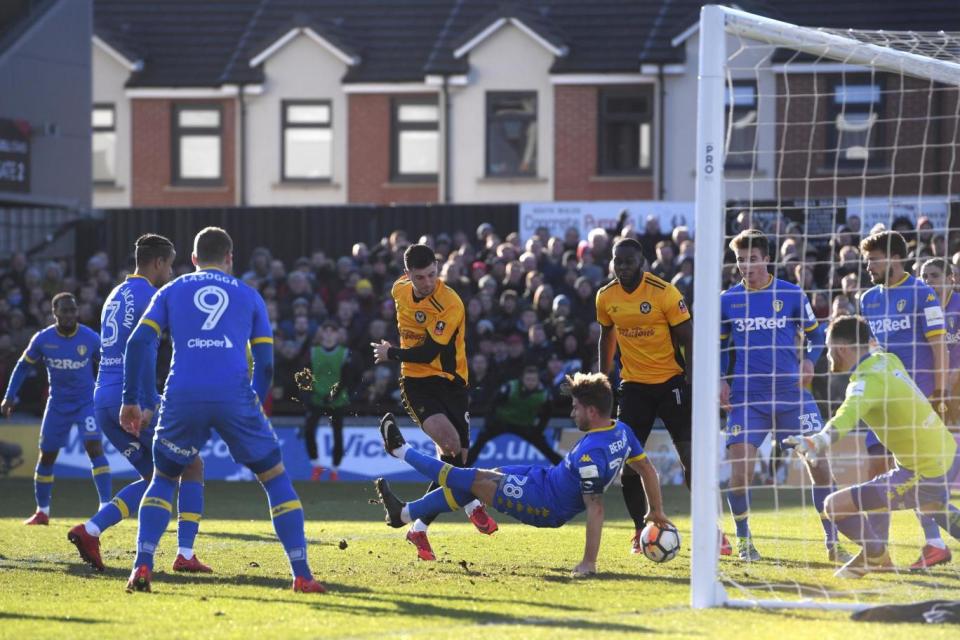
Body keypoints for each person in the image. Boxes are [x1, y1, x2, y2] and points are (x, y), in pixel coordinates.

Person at [120, 227, 324, 593]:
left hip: (181, 395)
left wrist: (131, 399)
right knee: (275, 478)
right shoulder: (250, 296)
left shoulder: (171, 290)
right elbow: (265, 365)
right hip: (234, 396)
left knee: (164, 478)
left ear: (194, 259)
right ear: (230, 258)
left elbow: (138, 342)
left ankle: (142, 566)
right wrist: (255, 405)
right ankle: (302, 574)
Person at [374, 372, 672, 576]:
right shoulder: (621, 430)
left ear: (592, 411)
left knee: (468, 479)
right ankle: (404, 514)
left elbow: (595, 507)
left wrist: (588, 563)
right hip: (543, 478)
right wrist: (655, 511)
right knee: (477, 481)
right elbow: (646, 468)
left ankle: (401, 452)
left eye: (575, 407)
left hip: (544, 503)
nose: (572, 413)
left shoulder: (591, 454)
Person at [67, 234, 211, 573]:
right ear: (159, 263)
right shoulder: (151, 295)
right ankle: (185, 554)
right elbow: (142, 350)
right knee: (192, 465)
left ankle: (90, 530)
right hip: (130, 397)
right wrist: (145, 401)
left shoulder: (116, 294)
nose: (172, 272)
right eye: (171, 265)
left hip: (103, 398)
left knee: (155, 478)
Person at [788, 315, 960, 578]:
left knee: (834, 506)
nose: (827, 354)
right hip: (947, 452)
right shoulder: (887, 359)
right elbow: (872, 344)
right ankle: (876, 554)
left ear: (842, 350)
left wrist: (815, 441)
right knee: (931, 505)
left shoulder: (864, 382)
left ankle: (876, 555)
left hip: (924, 469)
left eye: (828, 347)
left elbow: (845, 417)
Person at [719, 229, 847, 562]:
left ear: (767, 259)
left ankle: (832, 540)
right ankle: (745, 542)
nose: (746, 266)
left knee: (818, 464)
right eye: (740, 260)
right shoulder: (727, 300)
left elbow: (817, 337)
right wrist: (720, 379)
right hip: (748, 397)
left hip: (792, 394)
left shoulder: (790, 294)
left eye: (752, 259)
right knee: (739, 471)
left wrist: (809, 358)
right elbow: (719, 346)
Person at [372, 244, 497, 561]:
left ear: (437, 268)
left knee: (457, 466)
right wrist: (398, 358)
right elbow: (418, 353)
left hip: (452, 383)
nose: (427, 282)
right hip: (416, 382)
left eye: (431, 274)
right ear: (407, 275)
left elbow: (430, 352)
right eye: (420, 277)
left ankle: (417, 527)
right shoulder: (399, 290)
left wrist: (391, 353)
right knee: (452, 444)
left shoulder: (450, 303)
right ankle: (470, 505)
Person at [596, 237, 701, 554]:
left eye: (628, 261)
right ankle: (640, 532)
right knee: (628, 463)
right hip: (634, 387)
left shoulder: (664, 292)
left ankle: (709, 527)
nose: (623, 267)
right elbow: (607, 334)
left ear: (641, 262)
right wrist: (604, 378)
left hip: (671, 383)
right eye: (618, 261)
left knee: (690, 457)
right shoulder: (606, 296)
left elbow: (688, 336)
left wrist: (691, 381)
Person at [858, 231, 950, 569]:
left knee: (911, 474)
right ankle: (882, 549)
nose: (868, 266)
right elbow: (870, 350)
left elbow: (939, 346)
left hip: (918, 397)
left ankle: (931, 543)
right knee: (878, 470)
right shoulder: (867, 299)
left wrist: (939, 393)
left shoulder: (923, 294)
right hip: (881, 403)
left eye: (873, 259)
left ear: (894, 258)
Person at [2, 293, 109, 525]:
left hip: (85, 403)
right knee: (48, 455)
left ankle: (105, 506)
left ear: (77, 312)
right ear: (55, 313)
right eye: (64, 310)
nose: (69, 314)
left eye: (73, 310)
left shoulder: (90, 338)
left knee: (94, 447)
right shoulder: (43, 339)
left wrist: (109, 391)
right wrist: (10, 396)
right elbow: (22, 367)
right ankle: (42, 511)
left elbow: (109, 364)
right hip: (57, 405)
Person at [465, 366, 562, 466]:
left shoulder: (544, 395)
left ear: (538, 381)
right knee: (479, 443)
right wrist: (489, 422)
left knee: (545, 447)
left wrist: (539, 429)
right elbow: (493, 404)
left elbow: (547, 413)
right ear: (522, 379)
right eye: (528, 379)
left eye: (533, 380)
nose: (530, 382)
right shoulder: (510, 387)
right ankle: (464, 466)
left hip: (525, 425)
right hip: (502, 422)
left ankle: (563, 466)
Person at [302, 319, 361, 481]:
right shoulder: (313, 352)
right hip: (317, 398)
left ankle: (335, 469)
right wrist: (309, 393)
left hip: (337, 400)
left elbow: (347, 378)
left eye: (332, 330)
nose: (329, 333)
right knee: (308, 430)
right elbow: (305, 374)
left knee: (337, 433)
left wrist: (334, 394)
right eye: (326, 330)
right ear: (321, 334)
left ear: (337, 335)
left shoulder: (344, 353)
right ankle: (316, 465)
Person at [919, 257, 960, 425]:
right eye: (924, 277)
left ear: (951, 278)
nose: (928, 281)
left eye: (934, 275)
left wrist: (952, 377)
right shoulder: (919, 308)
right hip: (932, 381)